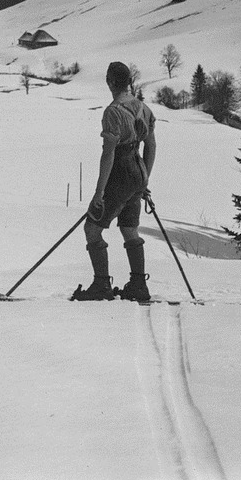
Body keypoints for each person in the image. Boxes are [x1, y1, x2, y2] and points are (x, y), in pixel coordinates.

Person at [71, 61, 156, 302]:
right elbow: (151, 145)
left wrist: (98, 194)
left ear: (110, 82)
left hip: (120, 173)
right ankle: (138, 285)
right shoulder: (144, 108)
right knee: (130, 228)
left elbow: (108, 154)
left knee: (92, 229)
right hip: (138, 171)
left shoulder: (113, 112)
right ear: (129, 81)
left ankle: (101, 286)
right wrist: (144, 180)